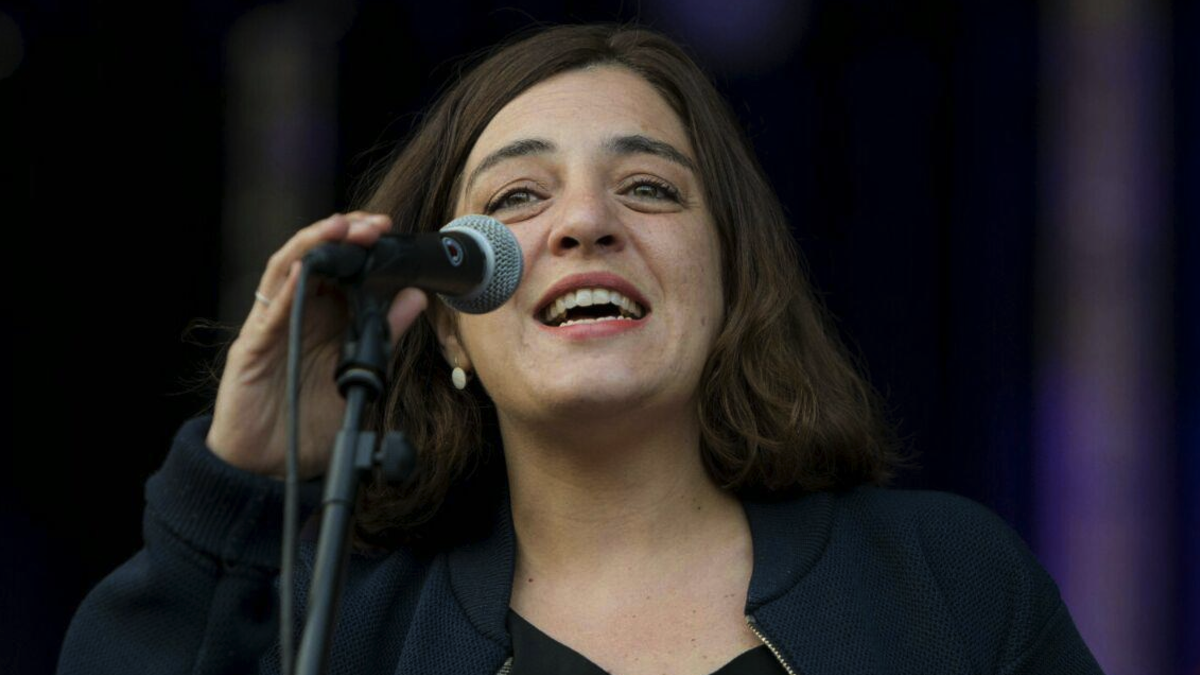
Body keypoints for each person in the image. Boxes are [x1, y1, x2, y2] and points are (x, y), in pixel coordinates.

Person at [57, 23, 1103, 675]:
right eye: (517, 198)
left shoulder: (945, 578)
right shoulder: (343, 625)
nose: (583, 223)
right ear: (448, 318)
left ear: (729, 280)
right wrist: (237, 483)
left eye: (648, 188)